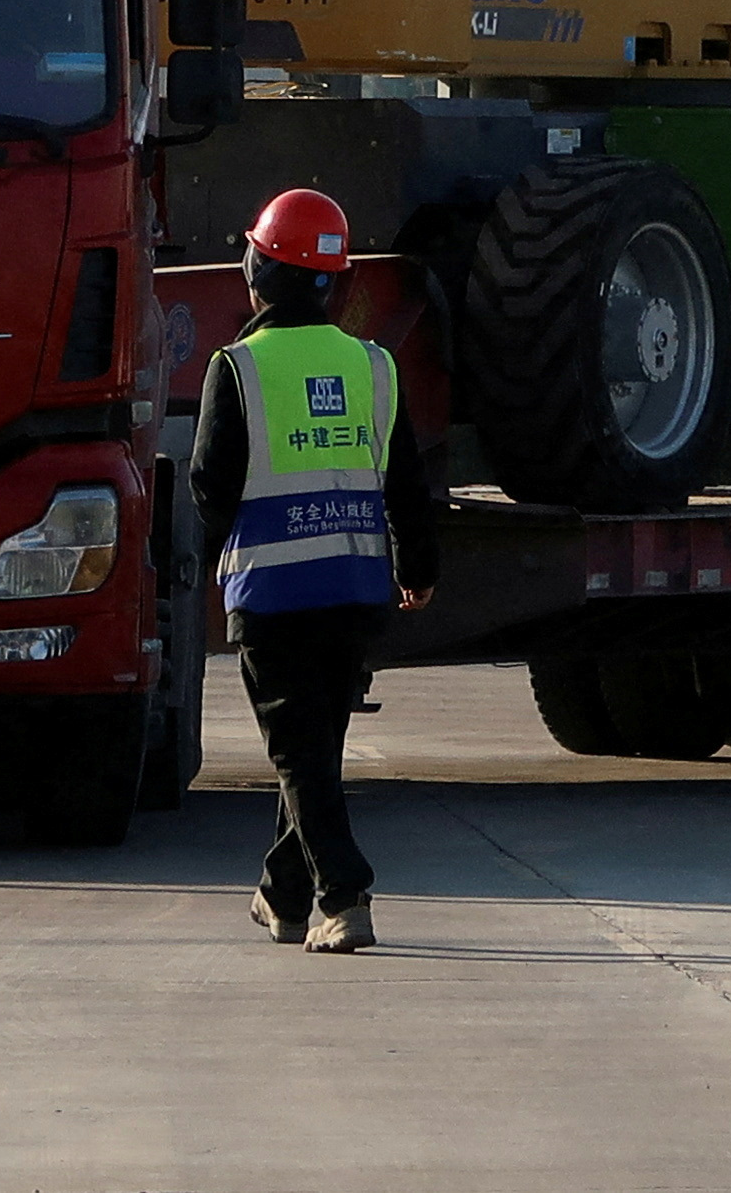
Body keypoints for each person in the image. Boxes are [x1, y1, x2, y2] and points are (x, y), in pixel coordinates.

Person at [191, 184, 442, 953]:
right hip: (356, 588)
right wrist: (416, 566)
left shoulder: (237, 367)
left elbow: (209, 486)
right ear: (330, 281)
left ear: (261, 271)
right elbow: (405, 477)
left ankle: (343, 893)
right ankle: (283, 893)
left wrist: (191, 579)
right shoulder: (372, 365)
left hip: (274, 591)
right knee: (311, 748)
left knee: (298, 752)